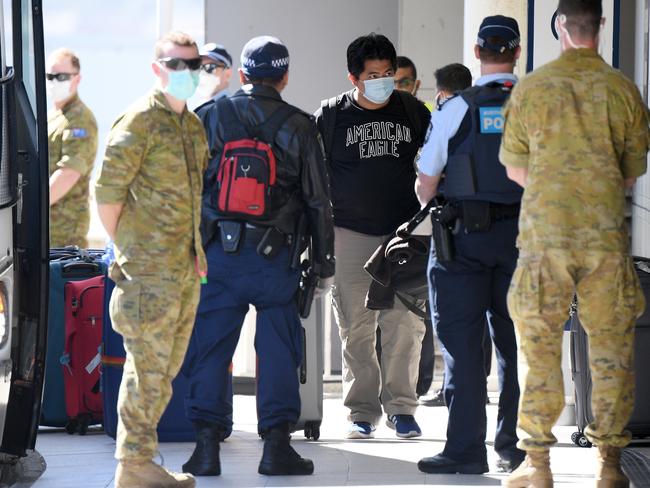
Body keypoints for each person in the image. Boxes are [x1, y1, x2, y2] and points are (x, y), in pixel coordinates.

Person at [500, 1, 649, 486]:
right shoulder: (623, 89)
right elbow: (632, 172)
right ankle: (608, 466)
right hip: (605, 238)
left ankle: (538, 465)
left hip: (546, 238)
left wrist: (553, 188)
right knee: (611, 350)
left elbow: (515, 169)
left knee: (539, 348)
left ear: (560, 26)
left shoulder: (532, 88)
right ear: (601, 26)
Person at [182, 35, 335, 477]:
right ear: (284, 77)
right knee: (278, 350)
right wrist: (323, 264)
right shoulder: (301, 126)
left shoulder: (208, 116)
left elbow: (188, 191)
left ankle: (206, 449)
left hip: (218, 258)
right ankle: (275, 449)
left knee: (210, 350)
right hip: (276, 258)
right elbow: (319, 201)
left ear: (243, 74)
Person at [95, 31, 208, 488]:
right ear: (157, 68)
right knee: (146, 368)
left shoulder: (193, 126)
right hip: (147, 273)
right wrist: (134, 251)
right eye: (175, 64)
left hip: (183, 271)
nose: (185, 73)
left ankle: (139, 463)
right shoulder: (139, 120)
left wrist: (194, 255)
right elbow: (107, 196)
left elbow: (194, 198)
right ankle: (134, 465)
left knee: (164, 371)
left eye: (193, 64)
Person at [414, 15, 526, 475]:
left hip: (463, 243)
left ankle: (465, 450)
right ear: (517, 52)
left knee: (461, 344)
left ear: (477, 53)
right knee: (517, 343)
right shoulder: (536, 106)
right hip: (523, 239)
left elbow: (426, 181)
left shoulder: (457, 108)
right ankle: (514, 446)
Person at [314, 33, 431, 440]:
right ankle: (362, 410)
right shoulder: (329, 117)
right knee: (355, 326)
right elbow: (313, 177)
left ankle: (402, 407)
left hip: (403, 234)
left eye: (388, 74)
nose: (382, 81)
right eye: (373, 75)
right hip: (349, 233)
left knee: (405, 325)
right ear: (353, 78)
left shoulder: (414, 111)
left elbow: (434, 162)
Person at [417, 62, 474, 408]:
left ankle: (461, 418)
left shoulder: (447, 113)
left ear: (439, 90)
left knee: (453, 324)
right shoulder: (512, 106)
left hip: (455, 231)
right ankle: (510, 444)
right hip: (507, 233)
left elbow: (427, 183)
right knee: (499, 330)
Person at [47, 48, 97, 248]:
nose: (54, 81)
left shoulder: (80, 118)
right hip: (46, 231)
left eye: (62, 76)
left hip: (64, 235)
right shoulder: (53, 116)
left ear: (77, 79)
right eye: (50, 76)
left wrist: (33, 208)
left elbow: (68, 173)